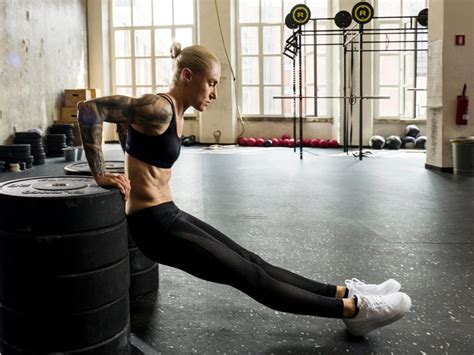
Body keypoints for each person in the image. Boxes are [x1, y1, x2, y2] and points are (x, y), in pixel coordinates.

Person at [77, 43, 411, 337]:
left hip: (168, 213)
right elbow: (90, 109)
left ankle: (343, 291)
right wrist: (101, 173)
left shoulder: (172, 112)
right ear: (187, 77)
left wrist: (128, 150)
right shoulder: (159, 108)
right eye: (211, 83)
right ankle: (356, 312)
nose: (215, 93)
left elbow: (124, 123)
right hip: (153, 227)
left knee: (254, 261)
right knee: (252, 277)